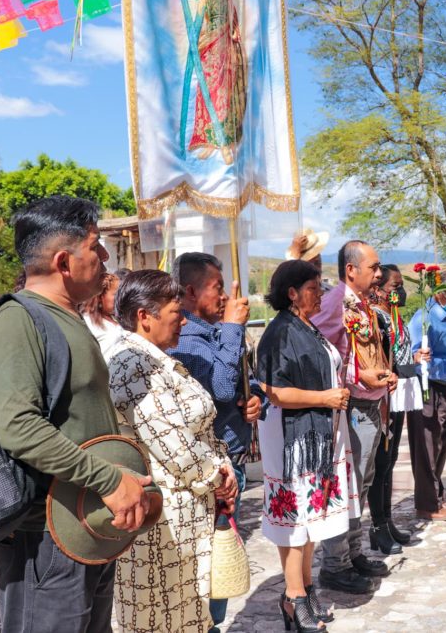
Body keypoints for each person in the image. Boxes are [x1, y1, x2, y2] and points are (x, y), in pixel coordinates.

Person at [0, 196, 153, 633]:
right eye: (95, 247)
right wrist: (109, 479)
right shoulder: (18, 319)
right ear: (63, 260)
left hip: (84, 529)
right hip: (44, 539)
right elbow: (18, 427)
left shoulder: (68, 317)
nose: (104, 258)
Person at [105, 270, 238, 633]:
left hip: (186, 510)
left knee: (187, 615)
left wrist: (221, 467)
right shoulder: (131, 362)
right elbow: (171, 442)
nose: (182, 321)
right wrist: (216, 476)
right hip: (164, 517)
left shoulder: (155, 357)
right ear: (144, 316)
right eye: (175, 313)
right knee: (163, 617)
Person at [256, 259, 357, 631]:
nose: (321, 294)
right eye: (314, 288)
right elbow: (273, 391)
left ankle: (307, 587)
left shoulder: (306, 326)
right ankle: (293, 596)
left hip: (316, 435)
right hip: (291, 439)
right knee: (294, 519)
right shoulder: (278, 332)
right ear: (292, 293)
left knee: (311, 519)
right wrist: (323, 398)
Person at [169, 252, 264, 626]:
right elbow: (222, 388)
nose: (224, 296)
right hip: (210, 474)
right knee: (208, 577)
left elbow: (242, 383)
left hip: (234, 463)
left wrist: (256, 399)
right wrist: (232, 328)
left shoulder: (215, 332)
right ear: (190, 291)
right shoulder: (186, 340)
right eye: (217, 287)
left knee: (220, 574)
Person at [311, 240, 396, 595]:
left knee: (361, 483)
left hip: (371, 405)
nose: (379, 274)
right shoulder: (334, 303)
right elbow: (321, 355)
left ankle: (353, 553)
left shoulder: (360, 302)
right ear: (351, 269)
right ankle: (335, 565)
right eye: (373, 267)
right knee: (347, 487)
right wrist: (357, 379)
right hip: (353, 408)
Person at [368, 265, 426, 553]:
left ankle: (387, 520)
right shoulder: (375, 318)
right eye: (395, 286)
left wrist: (414, 357)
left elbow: (399, 351)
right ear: (378, 289)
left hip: (400, 390)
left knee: (390, 460)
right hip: (384, 395)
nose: (400, 292)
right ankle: (377, 525)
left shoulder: (395, 317)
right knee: (380, 462)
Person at [406, 269, 446, 522]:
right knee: (427, 447)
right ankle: (427, 504)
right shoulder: (425, 319)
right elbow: (419, 362)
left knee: (440, 446)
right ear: (441, 293)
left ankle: (437, 497)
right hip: (428, 389)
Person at [171, 0, 247, 164]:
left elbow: (234, 15)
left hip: (225, 44)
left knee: (225, 94)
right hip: (209, 45)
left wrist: (234, 34)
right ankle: (211, 142)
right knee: (206, 94)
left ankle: (225, 144)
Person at [82, 271, 124, 355]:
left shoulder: (117, 318)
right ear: (100, 297)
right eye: (116, 295)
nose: (120, 298)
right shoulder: (87, 323)